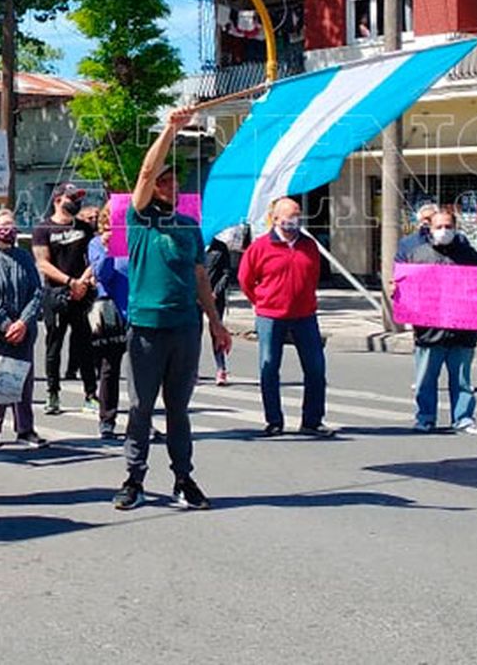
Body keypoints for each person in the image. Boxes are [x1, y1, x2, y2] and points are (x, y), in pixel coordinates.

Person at [113, 111, 232, 511]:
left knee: (178, 410)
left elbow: (201, 278)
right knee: (140, 408)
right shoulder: (139, 219)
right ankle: (134, 478)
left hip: (185, 328)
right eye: (165, 180)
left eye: (174, 180)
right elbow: (145, 172)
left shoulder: (187, 226)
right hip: (147, 327)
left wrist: (216, 324)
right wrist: (171, 129)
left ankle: (184, 478)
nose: (170, 184)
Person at [238, 197, 334, 438]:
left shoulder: (308, 245)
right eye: (290, 216)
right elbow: (245, 280)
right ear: (276, 218)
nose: (294, 220)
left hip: (305, 315)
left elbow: (313, 275)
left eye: (298, 215)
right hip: (271, 315)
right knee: (269, 368)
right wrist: (261, 302)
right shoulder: (260, 247)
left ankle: (312, 421)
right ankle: (274, 420)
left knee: (315, 368)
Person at [398, 208, 477, 434]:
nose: (444, 231)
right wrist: (398, 292)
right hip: (428, 332)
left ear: (456, 228)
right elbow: (404, 293)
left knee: (462, 381)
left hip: (462, 332)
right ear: (429, 229)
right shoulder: (417, 256)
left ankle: (463, 418)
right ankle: (425, 418)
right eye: (439, 227)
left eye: (448, 226)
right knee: (425, 381)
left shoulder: (472, 256)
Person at [0, 208, 46, 448]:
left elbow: (36, 292)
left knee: (23, 381)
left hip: (23, 331)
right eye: (4, 226)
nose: (10, 230)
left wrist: (23, 322)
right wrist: (6, 325)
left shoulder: (24, 258)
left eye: (12, 226)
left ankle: (25, 429)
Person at [33, 184, 97, 416]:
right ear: (58, 200)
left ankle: (91, 394)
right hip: (56, 294)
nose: (76, 202)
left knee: (85, 344)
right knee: (54, 345)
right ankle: (52, 393)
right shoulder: (43, 229)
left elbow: (95, 256)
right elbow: (43, 263)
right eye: (72, 198)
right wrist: (70, 281)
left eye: (79, 198)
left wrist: (83, 281)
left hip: (82, 291)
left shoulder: (84, 227)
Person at [88, 201, 130, 440]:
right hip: (111, 313)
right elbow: (101, 274)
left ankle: (140, 419)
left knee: (140, 372)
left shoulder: (134, 239)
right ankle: (107, 419)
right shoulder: (97, 243)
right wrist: (106, 248)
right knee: (109, 369)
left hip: (136, 310)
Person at [204, 223, 248, 385]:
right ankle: (191, 371)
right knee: (192, 335)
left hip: (215, 297)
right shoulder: (193, 244)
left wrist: (216, 291)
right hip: (194, 297)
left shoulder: (220, 247)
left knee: (216, 332)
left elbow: (226, 274)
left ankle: (221, 368)